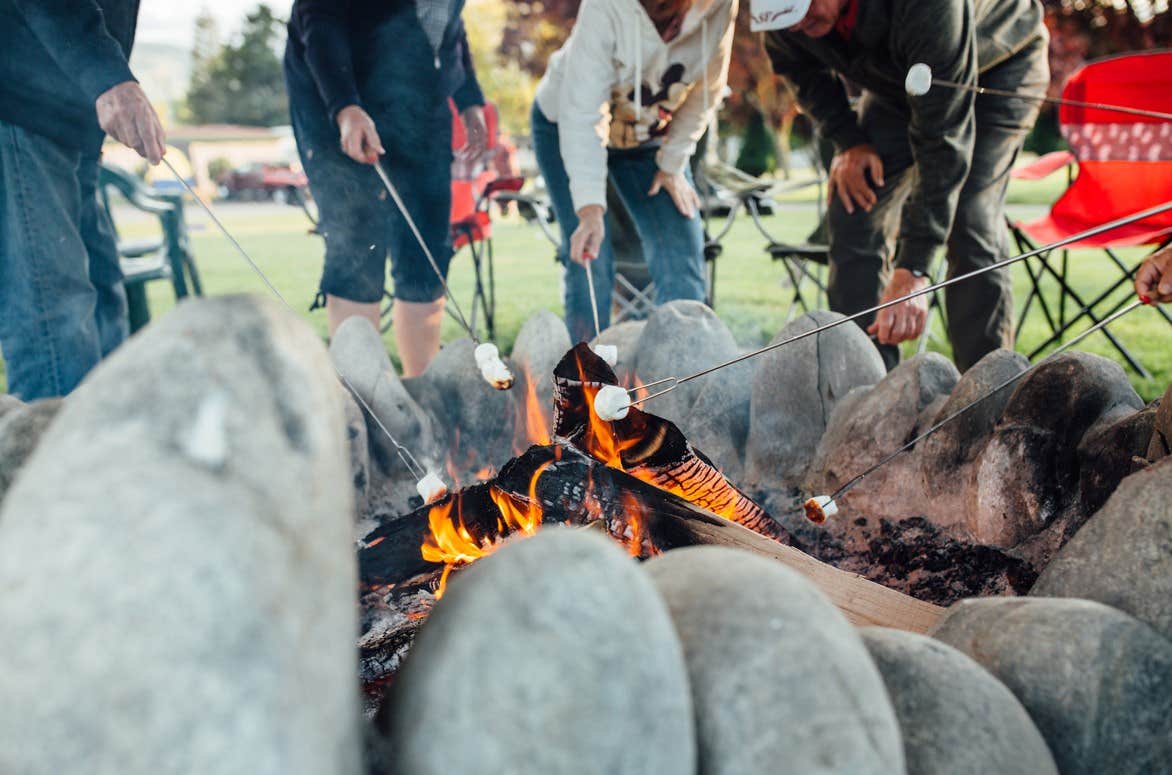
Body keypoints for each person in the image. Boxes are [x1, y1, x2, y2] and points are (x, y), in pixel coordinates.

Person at [760, 0, 1049, 371]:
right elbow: (798, 68)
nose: (797, 24)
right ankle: (864, 388)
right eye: (784, 15)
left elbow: (942, 140)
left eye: (804, 6)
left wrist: (914, 270)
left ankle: (986, 390)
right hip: (901, 80)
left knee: (968, 215)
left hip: (1001, 66)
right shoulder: (785, 20)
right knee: (854, 200)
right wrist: (849, 140)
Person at [285, 0, 487, 378]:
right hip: (336, 95)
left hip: (419, 101)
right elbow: (319, 19)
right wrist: (345, 107)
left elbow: (449, 27)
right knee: (358, 241)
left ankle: (423, 386)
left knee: (427, 245)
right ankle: (363, 394)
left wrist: (469, 97)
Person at [532, 0, 737, 343]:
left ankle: (684, 366)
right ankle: (587, 379)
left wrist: (672, 163)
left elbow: (707, 90)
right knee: (591, 254)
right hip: (564, 122)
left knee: (681, 237)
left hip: (646, 133)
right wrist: (590, 210)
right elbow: (583, 114)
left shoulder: (719, 6)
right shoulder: (605, 7)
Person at [0, 0, 165, 401]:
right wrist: (109, 78)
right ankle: (54, 457)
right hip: (21, 108)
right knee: (53, 311)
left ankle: (114, 444)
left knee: (104, 296)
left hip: (75, 123)